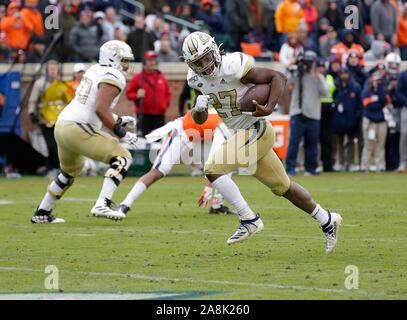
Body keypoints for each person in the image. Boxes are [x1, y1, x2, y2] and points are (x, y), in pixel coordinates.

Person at [180, 31, 342, 253]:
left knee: (212, 169)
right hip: (242, 135)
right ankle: (327, 219)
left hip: (256, 129)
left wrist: (269, 106)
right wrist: (198, 109)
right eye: (198, 62)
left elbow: (279, 78)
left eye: (207, 58)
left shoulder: (232, 66)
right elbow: (201, 118)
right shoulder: (195, 79)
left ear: (215, 51)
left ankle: (249, 219)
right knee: (284, 188)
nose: (205, 66)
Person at [30, 40, 138, 224]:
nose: (126, 66)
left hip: (63, 126)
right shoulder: (113, 75)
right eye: (124, 60)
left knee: (69, 172)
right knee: (123, 157)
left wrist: (118, 119)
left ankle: (42, 212)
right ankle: (102, 203)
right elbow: (100, 110)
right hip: (76, 127)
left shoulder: (94, 70)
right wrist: (122, 133)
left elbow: (91, 107)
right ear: (113, 58)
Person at [114, 108, 236, 216]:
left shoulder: (229, 122)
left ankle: (217, 206)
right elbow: (214, 162)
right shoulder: (226, 127)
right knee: (159, 171)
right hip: (182, 131)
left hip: (202, 134)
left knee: (228, 163)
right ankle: (125, 204)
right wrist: (208, 188)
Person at [285, 50, 329, 176]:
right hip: (297, 113)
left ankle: (311, 168)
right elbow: (285, 82)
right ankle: (290, 168)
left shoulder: (319, 77)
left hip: (313, 115)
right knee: (294, 143)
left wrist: (316, 76)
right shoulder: (297, 74)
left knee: (312, 144)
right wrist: (291, 66)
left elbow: (325, 92)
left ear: (315, 63)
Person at [28, 60, 72, 178]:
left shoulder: (63, 84)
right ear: (47, 70)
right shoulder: (40, 83)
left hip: (60, 119)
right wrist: (32, 112)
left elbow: (69, 101)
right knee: (50, 145)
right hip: (45, 118)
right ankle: (52, 168)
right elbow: (33, 99)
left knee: (60, 144)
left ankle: (61, 167)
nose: (53, 71)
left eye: (55, 68)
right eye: (51, 69)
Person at [126, 50, 171, 136]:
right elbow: (129, 94)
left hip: (159, 116)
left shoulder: (161, 77)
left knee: (159, 140)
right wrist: (136, 95)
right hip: (143, 115)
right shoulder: (138, 77)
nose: (152, 63)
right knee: (142, 140)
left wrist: (164, 106)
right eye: (149, 60)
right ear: (145, 62)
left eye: (153, 60)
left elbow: (167, 94)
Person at [331, 67, 363, 172]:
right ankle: (340, 162)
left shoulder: (355, 87)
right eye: (342, 73)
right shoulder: (336, 86)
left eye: (345, 73)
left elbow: (359, 104)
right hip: (339, 120)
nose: (344, 75)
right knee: (339, 143)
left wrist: (356, 117)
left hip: (351, 119)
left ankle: (350, 163)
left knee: (350, 143)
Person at [360, 72, 391, 172]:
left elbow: (385, 102)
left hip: (381, 121)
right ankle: (365, 166)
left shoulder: (384, 91)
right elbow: (367, 105)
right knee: (368, 145)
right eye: (376, 80)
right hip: (370, 120)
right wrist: (378, 104)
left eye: (379, 81)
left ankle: (380, 166)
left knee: (380, 145)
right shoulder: (367, 91)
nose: (377, 83)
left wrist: (379, 93)